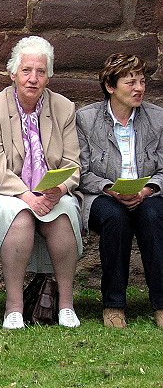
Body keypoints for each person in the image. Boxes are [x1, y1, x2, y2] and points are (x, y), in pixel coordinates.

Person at [0, 35, 83, 329]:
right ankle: (14, 307)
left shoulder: (64, 108)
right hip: (4, 192)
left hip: (51, 192)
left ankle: (66, 305)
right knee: (20, 216)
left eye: (40, 72)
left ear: (48, 76)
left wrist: (60, 189)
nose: (33, 78)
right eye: (26, 71)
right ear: (13, 73)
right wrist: (26, 196)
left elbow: (72, 163)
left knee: (64, 212)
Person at [76, 53, 163, 328]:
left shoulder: (158, 118)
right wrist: (109, 189)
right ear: (110, 86)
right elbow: (81, 172)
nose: (139, 88)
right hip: (103, 195)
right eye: (130, 82)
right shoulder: (86, 119)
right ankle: (114, 304)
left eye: (142, 81)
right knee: (115, 218)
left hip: (147, 194)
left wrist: (147, 189)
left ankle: (161, 304)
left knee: (153, 217)